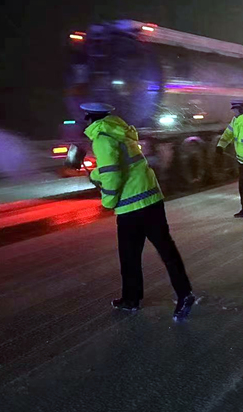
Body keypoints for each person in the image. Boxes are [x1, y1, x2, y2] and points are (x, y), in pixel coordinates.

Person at [81, 102, 196, 320]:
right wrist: (96, 175)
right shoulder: (122, 132)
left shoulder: (102, 138)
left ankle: (131, 300)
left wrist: (107, 202)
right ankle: (185, 293)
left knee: (130, 257)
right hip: (151, 199)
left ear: (90, 118)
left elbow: (112, 175)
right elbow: (123, 165)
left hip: (131, 207)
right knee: (167, 251)